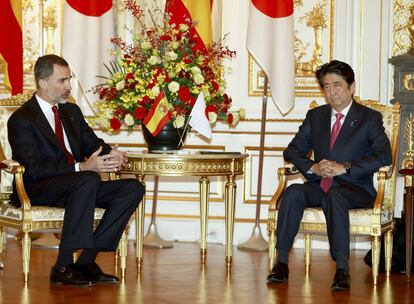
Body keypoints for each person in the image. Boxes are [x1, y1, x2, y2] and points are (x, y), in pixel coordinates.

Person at [7, 54, 145, 286]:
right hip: (39, 188)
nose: (68, 86)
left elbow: (93, 143)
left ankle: (85, 262)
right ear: (43, 83)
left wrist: (112, 154)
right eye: (62, 81)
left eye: (69, 79)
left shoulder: (71, 111)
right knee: (88, 178)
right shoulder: (22, 119)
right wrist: (81, 166)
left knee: (132, 188)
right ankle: (62, 265)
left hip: (80, 186)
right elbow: (35, 168)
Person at [266, 60, 392, 290]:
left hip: (354, 188)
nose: (331, 92)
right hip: (319, 184)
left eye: (337, 85)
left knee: (336, 197)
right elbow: (291, 150)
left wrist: (346, 166)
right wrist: (312, 166)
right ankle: (281, 262)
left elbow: (384, 156)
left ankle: (342, 269)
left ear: (351, 87)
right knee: (293, 192)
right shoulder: (316, 116)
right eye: (326, 87)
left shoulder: (368, 118)